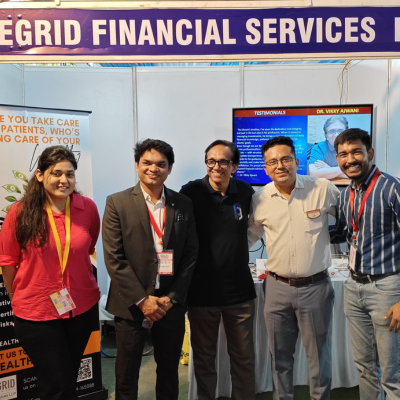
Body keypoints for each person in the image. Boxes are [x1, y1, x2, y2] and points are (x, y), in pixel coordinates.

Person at [0, 146, 100, 400]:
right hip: (37, 312)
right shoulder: (20, 212)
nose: (64, 180)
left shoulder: (87, 208)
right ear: (40, 175)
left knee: (68, 379)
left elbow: (89, 247)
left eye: (70, 174)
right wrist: (14, 294)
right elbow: (8, 262)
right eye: (56, 173)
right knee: (57, 386)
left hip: (81, 308)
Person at [102, 138, 198, 400]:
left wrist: (172, 297)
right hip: (131, 305)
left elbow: (190, 254)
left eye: (161, 164)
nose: (153, 168)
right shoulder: (117, 202)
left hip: (170, 305)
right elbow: (114, 257)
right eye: (147, 163)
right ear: (137, 165)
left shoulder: (183, 203)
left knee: (168, 372)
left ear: (169, 168)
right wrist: (143, 300)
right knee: (126, 374)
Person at [248, 136, 339, 400]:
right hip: (276, 288)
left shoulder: (322, 188)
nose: (280, 166)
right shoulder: (260, 199)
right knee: (279, 356)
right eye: (273, 162)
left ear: (297, 162)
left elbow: (350, 221)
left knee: (319, 356)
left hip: (316, 287)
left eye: (286, 159)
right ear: (265, 168)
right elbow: (248, 237)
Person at [180, 139, 256, 400]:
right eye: (211, 161)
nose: (216, 167)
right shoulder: (190, 192)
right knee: (203, 359)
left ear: (234, 166)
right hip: (201, 293)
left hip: (240, 293)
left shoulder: (245, 191)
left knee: (244, 358)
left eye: (223, 161)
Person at [331, 128, 400, 400]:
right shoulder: (345, 194)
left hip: (387, 289)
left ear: (370, 153)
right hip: (353, 287)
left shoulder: (392, 188)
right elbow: (343, 234)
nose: (350, 159)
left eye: (356, 152)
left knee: (392, 373)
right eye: (343, 154)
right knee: (365, 368)